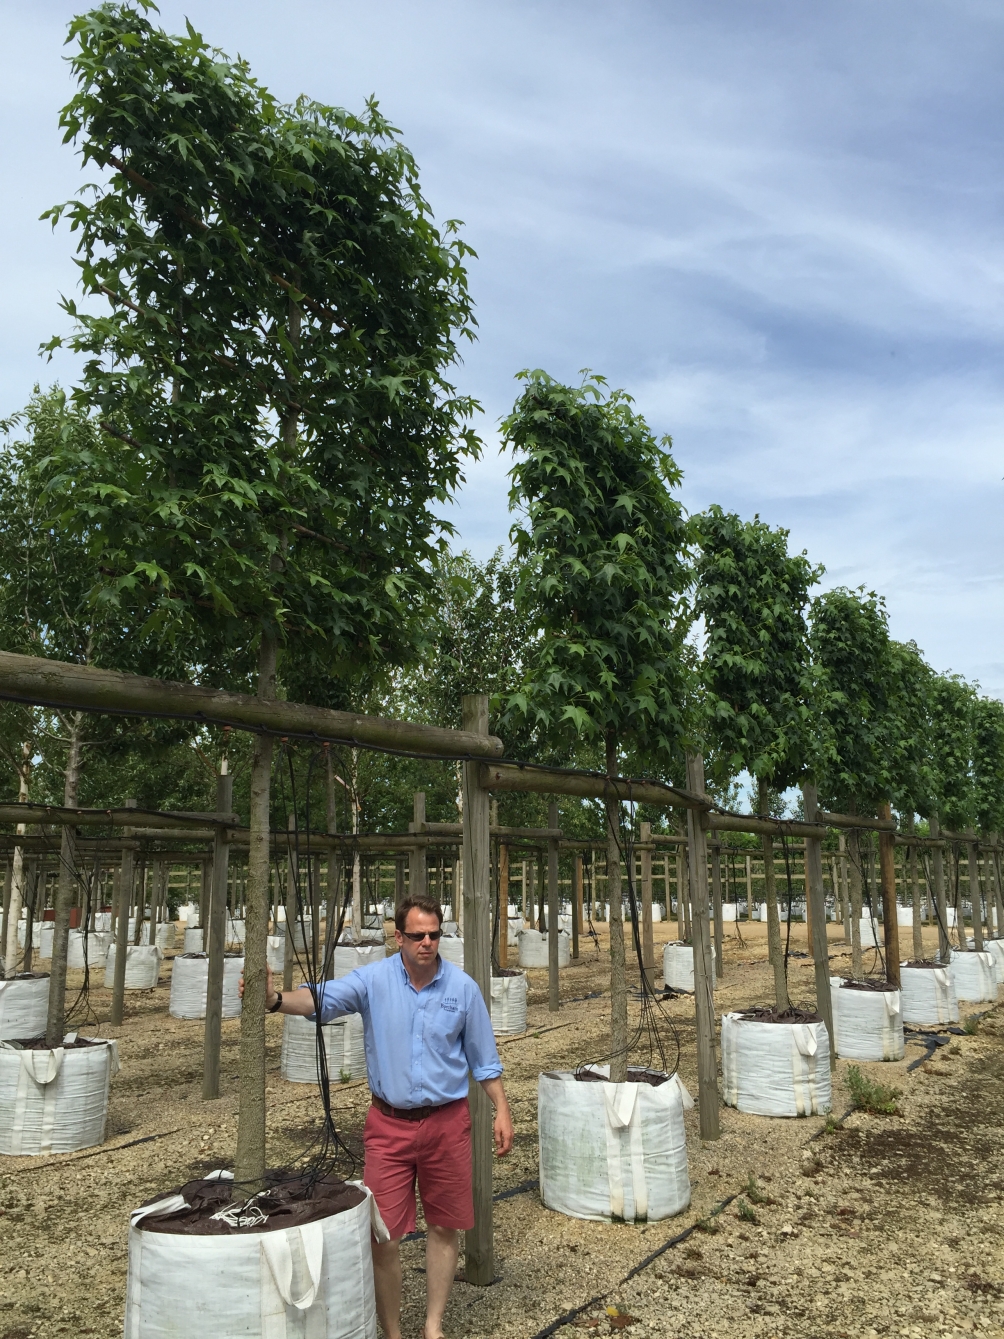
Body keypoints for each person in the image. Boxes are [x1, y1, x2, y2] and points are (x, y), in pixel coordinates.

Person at [240, 895, 513, 1339]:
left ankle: (433, 1326)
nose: (427, 943)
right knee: (383, 1234)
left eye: (434, 935)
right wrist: (273, 999)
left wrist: (501, 1108)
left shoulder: (462, 989)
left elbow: (484, 1058)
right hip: (389, 1126)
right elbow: (319, 1000)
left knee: (444, 1225)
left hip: (448, 1123)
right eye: (418, 935)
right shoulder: (373, 981)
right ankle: (392, 1333)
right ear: (399, 937)